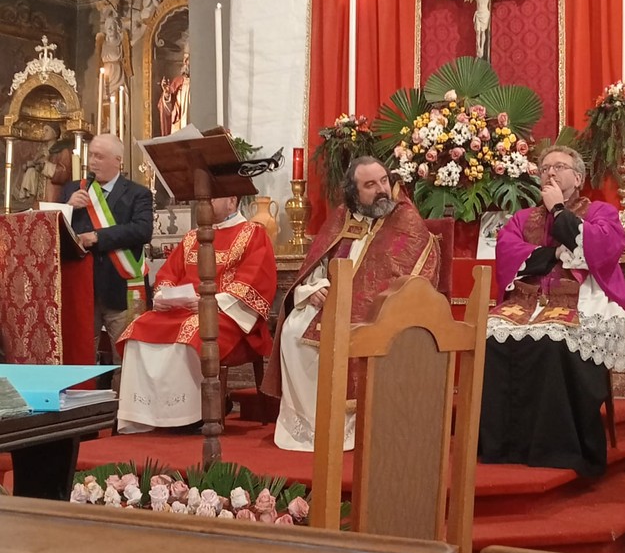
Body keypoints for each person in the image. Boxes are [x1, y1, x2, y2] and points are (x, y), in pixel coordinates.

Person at [263, 156, 439, 451]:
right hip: (331, 303)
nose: (381, 189)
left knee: (341, 338)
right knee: (294, 331)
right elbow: (316, 268)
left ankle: (352, 429)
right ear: (354, 192)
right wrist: (314, 289)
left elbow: (418, 273)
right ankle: (313, 427)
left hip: (382, 313)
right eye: (370, 185)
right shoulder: (343, 218)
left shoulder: (406, 220)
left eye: (384, 180)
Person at [478, 145, 625, 477]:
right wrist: (556, 253)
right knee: (488, 337)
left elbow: (602, 248)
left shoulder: (601, 211)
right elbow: (508, 249)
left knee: (554, 342)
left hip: (582, 297)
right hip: (527, 298)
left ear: (577, 177)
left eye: (558, 167)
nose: (549, 173)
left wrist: (559, 211)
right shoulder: (523, 218)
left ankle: (558, 448)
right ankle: (500, 446)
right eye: (544, 167)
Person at [116, 194, 277, 433]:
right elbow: (169, 273)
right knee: (138, 328)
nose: (205, 203)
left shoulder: (253, 233)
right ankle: (145, 414)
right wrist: (164, 297)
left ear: (232, 201)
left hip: (225, 315)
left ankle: (192, 416)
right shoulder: (193, 237)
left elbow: (256, 279)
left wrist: (210, 303)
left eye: (213, 198)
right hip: (182, 309)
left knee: (195, 332)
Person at [61, 133, 153, 362]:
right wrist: (67, 207)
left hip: (120, 288)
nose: (92, 161)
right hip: (82, 287)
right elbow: (55, 231)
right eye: (91, 155)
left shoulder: (137, 193)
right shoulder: (73, 190)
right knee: (81, 357)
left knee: (128, 358)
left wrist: (97, 237)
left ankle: (124, 398)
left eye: (99, 157)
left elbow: (142, 230)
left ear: (117, 161)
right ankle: (85, 397)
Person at [451, 0, 517, 58]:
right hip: (478, 13)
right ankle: (479, 49)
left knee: (482, 32)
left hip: (485, 13)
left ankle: (482, 46)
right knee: (478, 32)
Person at [158, 46, 190, 135]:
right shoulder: (177, 82)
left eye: (188, 59)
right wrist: (167, 94)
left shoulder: (202, 83)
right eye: (184, 58)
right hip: (179, 131)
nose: (185, 62)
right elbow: (167, 111)